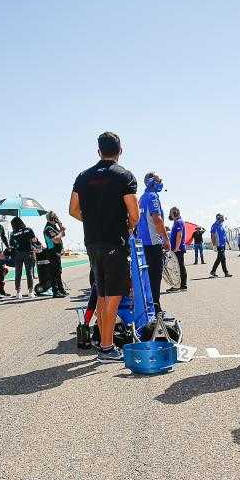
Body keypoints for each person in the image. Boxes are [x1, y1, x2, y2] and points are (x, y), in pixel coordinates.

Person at [70, 132, 139, 363]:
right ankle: (107, 349)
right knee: (113, 297)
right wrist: (127, 226)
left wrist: (92, 221)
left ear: (98, 151)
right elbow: (134, 214)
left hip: (92, 242)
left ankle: (104, 343)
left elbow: (73, 209)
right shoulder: (124, 176)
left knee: (101, 294)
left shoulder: (83, 176)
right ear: (121, 151)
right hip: (114, 242)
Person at [136, 172, 171, 310]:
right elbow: (157, 219)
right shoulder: (153, 196)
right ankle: (156, 309)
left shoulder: (142, 198)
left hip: (143, 244)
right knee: (155, 279)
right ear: (152, 182)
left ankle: (149, 308)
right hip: (153, 244)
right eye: (159, 180)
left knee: (147, 279)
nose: (161, 183)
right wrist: (166, 239)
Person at [8, 216, 39, 298]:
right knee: (29, 273)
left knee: (18, 273)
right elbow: (34, 240)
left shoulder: (12, 233)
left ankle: (18, 293)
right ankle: (30, 292)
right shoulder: (28, 230)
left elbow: (11, 245)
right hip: (28, 253)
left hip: (18, 254)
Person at [41, 211, 68, 297]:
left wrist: (60, 227)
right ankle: (55, 292)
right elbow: (55, 239)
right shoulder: (48, 228)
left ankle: (61, 290)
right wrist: (61, 231)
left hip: (56, 253)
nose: (57, 219)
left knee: (58, 272)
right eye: (55, 217)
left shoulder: (54, 227)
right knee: (54, 273)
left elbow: (63, 235)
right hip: (52, 252)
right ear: (52, 218)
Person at [168, 206, 188, 291]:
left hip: (178, 249)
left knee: (178, 267)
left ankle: (179, 285)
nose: (170, 215)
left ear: (174, 213)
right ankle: (182, 285)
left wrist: (176, 248)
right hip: (178, 248)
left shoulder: (178, 222)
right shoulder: (178, 222)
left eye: (171, 213)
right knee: (180, 266)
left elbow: (179, 235)